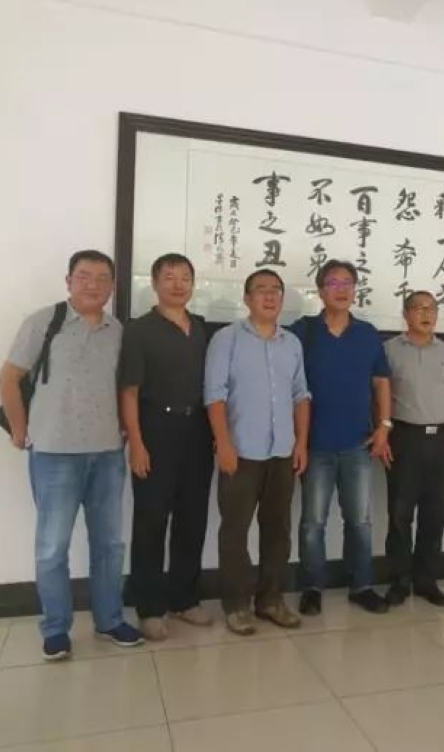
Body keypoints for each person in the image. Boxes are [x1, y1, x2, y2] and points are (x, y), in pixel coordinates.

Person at [0, 250, 142, 660]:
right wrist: (20, 431)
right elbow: (9, 378)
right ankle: (56, 628)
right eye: (84, 276)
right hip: (54, 455)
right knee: (52, 548)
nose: (93, 284)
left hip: (107, 455)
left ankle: (109, 620)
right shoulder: (44, 322)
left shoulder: (118, 330)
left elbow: (124, 388)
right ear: (69, 281)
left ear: (113, 286)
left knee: (109, 544)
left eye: (102, 278)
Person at [204, 268, 310, 635]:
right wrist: (223, 443)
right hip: (241, 452)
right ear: (247, 298)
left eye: (275, 290)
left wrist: (301, 442)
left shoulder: (291, 343)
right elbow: (214, 395)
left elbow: (301, 395)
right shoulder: (226, 339)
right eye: (261, 290)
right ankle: (236, 605)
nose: (269, 296)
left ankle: (270, 600)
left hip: (282, 451)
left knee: (278, 530)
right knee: (235, 531)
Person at [119, 253, 213, 641]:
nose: (178, 284)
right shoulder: (139, 330)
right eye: (170, 277)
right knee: (151, 521)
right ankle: (150, 607)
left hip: (198, 432)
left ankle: (184, 599)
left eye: (185, 277)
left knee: (193, 518)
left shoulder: (201, 328)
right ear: (155, 283)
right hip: (156, 429)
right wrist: (136, 443)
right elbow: (129, 391)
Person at [292, 259, 391, 616]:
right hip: (314, 445)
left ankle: (361, 585)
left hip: (358, 444)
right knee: (312, 523)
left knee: (360, 522)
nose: (342, 289)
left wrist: (384, 427)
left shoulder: (367, 333)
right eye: (333, 283)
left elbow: (381, 382)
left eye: (348, 282)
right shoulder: (302, 332)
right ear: (321, 291)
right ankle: (312, 587)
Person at [383, 291, 444, 608]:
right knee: (400, 514)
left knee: (435, 513)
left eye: (431, 308)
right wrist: (382, 434)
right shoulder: (389, 350)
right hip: (404, 438)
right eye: (418, 308)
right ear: (405, 314)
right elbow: (377, 396)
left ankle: (426, 581)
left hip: (441, 439)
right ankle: (399, 581)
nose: (426, 314)